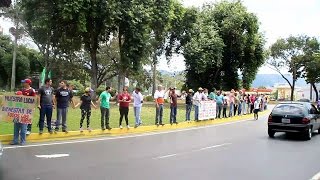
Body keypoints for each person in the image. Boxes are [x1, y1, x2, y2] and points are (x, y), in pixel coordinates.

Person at [10, 79, 36, 145]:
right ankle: (15, 140)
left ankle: (23, 141)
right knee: (16, 126)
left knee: (23, 127)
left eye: (24, 82)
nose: (23, 83)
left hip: (26, 111)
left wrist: (32, 108)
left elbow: (33, 100)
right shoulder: (22, 90)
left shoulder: (32, 91)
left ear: (28, 83)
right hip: (18, 111)